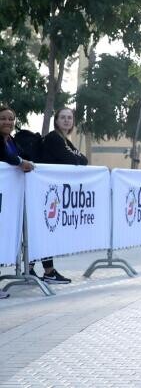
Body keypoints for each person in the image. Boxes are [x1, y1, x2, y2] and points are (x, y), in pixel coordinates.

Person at [31, 107, 88, 284]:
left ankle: (35, 269)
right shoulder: (54, 138)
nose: (66, 120)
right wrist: (76, 156)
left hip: (50, 192)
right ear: (56, 120)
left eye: (69, 118)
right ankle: (46, 271)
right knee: (43, 231)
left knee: (43, 231)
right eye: (62, 117)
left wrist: (76, 156)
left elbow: (83, 160)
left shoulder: (64, 140)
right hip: (43, 191)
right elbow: (74, 159)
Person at [0, 106, 35, 299]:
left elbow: (25, 156)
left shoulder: (11, 140)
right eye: (3, 118)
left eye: (10, 119)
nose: (7, 122)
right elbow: (7, 157)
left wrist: (27, 161)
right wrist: (21, 163)